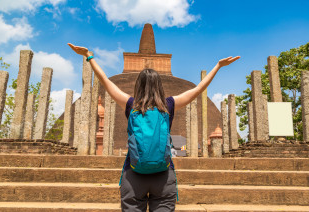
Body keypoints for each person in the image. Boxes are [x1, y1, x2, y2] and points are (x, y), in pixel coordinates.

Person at [68, 43, 240, 212]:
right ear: (159, 85)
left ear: (138, 85)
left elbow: (105, 81)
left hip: (133, 174)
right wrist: (218, 66)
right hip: (164, 175)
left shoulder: (131, 105)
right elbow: (199, 88)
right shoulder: (169, 105)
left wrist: (88, 56)